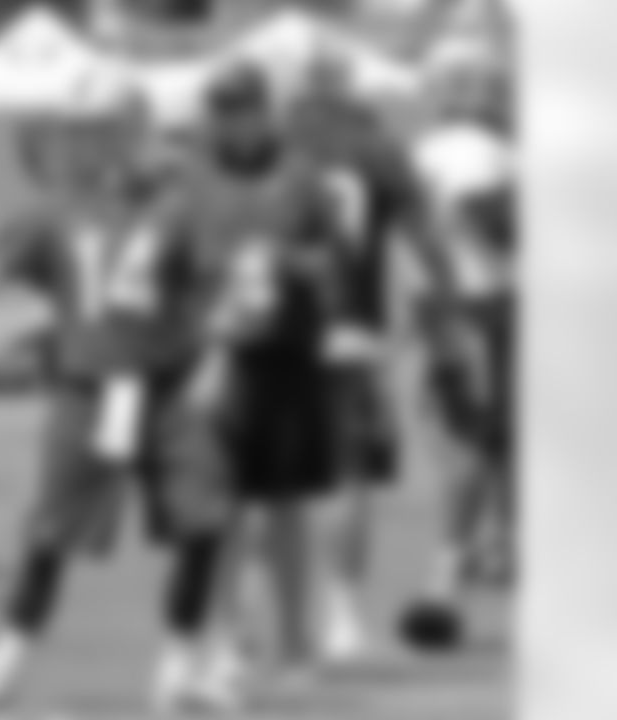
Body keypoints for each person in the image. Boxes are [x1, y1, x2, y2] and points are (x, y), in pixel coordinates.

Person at [0, 93, 245, 714]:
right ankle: (5, 662)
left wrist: (219, 361)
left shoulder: (180, 206)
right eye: (83, 133)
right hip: (91, 392)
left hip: (170, 389)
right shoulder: (55, 213)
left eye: (105, 131)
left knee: (203, 521)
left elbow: (223, 287)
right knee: (51, 531)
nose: (93, 146)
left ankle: (179, 668)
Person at [155, 61, 357, 696]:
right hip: (214, 363)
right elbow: (164, 268)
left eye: (243, 109)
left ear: (266, 111)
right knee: (222, 511)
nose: (233, 122)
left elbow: (336, 260)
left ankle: (296, 647)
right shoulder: (188, 180)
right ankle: (229, 644)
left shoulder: (301, 175)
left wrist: (288, 263)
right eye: (222, 111)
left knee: (287, 510)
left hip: (287, 360)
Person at [286, 52, 458, 661]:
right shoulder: (378, 150)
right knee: (348, 476)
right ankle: (341, 614)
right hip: (354, 332)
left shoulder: (272, 147)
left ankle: (265, 619)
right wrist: (448, 314)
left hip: (278, 332)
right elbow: (428, 242)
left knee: (264, 484)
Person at [398, 46, 517, 648]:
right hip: (483, 306)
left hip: (440, 309)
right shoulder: (478, 151)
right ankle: (449, 577)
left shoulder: (424, 150)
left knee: (478, 445)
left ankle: (483, 557)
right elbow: (483, 217)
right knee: (481, 445)